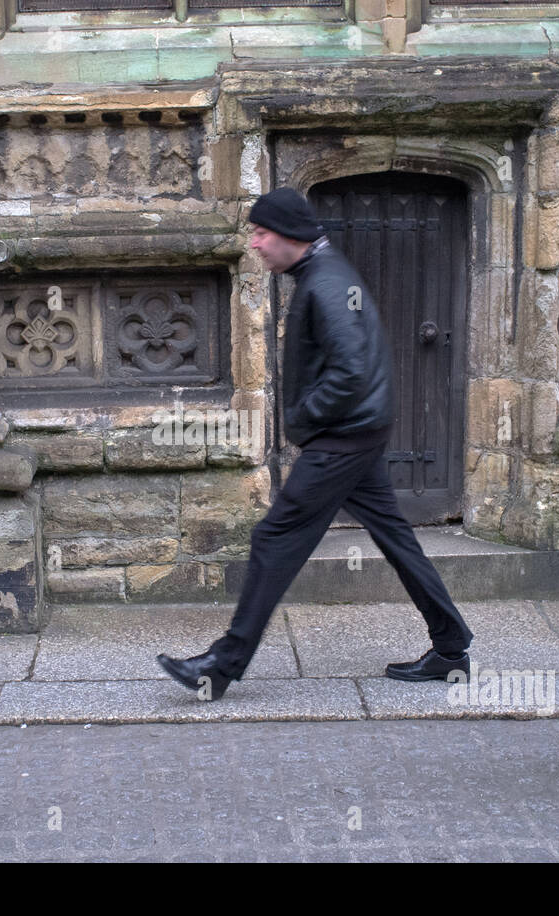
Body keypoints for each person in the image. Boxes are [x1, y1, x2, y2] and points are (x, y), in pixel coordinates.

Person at [156, 187, 475, 701]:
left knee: (274, 539)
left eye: (262, 233)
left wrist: (304, 418)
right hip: (360, 433)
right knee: (396, 538)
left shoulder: (326, 282)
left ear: (290, 236)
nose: (255, 244)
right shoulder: (325, 274)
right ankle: (452, 646)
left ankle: (222, 664)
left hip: (342, 438)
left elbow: (351, 370)